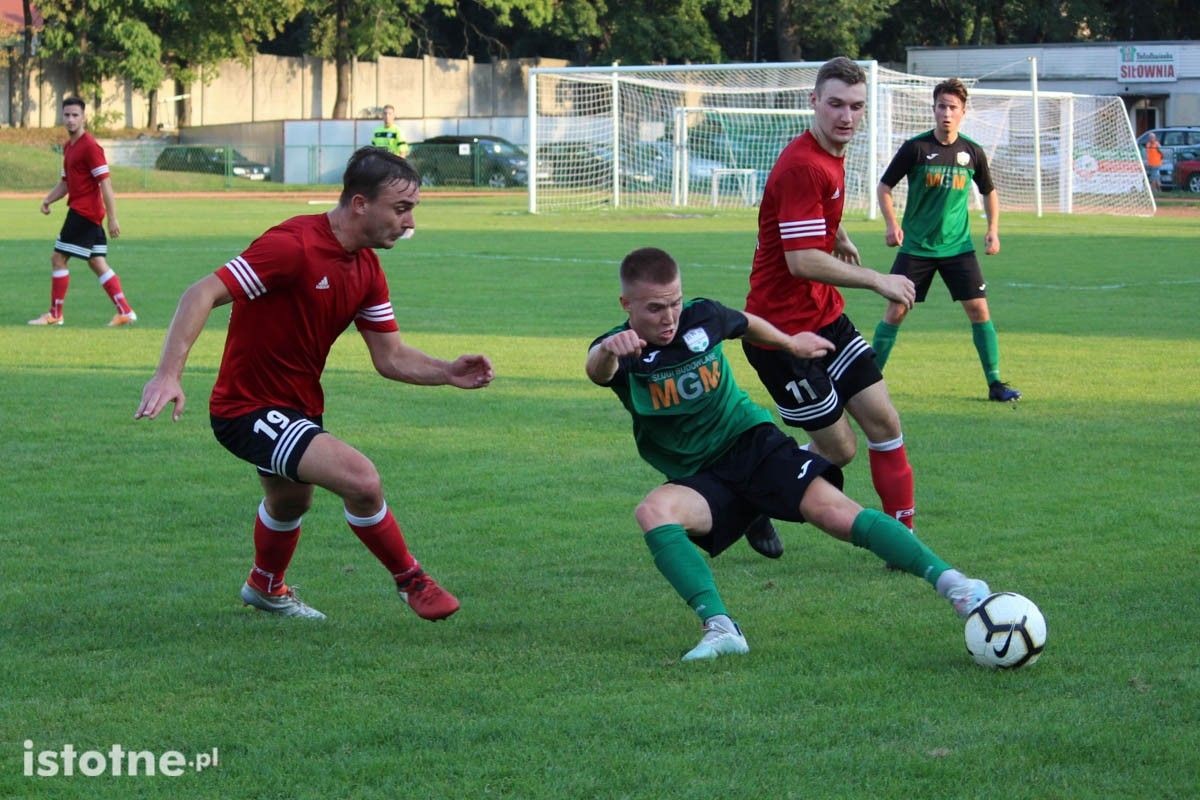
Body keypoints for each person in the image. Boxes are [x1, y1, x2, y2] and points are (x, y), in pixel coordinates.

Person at [135, 147, 494, 621]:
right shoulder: (293, 245)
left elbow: (391, 357)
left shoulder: (367, 268)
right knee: (361, 479)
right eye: (401, 209)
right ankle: (412, 580)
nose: (409, 223)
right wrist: (168, 374)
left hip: (298, 406)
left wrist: (447, 371)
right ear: (361, 204)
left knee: (289, 500)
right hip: (246, 408)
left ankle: (264, 587)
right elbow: (202, 292)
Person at [587, 247, 990, 661]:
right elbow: (597, 369)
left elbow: (745, 325)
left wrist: (789, 343)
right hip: (700, 479)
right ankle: (722, 629)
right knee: (653, 512)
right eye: (655, 308)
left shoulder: (703, 316)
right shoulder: (622, 349)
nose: (669, 317)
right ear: (627, 304)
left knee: (834, 513)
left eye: (674, 302)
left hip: (751, 444)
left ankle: (959, 586)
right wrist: (608, 351)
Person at [742, 57, 919, 534]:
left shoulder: (829, 156)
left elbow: (808, 222)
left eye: (856, 107)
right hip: (779, 335)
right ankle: (748, 494)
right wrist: (880, 280)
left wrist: (834, 232)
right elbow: (800, 262)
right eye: (835, 104)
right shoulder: (804, 166)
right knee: (840, 451)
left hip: (825, 318)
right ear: (813, 102)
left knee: (884, 420)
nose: (846, 116)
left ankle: (905, 539)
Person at [871, 78, 1021, 403]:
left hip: (958, 248)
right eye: (941, 106)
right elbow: (884, 187)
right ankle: (866, 384)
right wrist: (891, 224)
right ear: (934, 109)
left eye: (953, 107)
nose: (946, 113)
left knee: (979, 310)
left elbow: (989, 191)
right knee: (896, 310)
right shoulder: (916, 148)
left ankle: (996, 383)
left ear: (963, 112)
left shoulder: (972, 152)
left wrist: (993, 229)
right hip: (916, 248)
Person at [29, 96, 137, 327]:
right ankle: (125, 311)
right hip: (87, 213)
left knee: (58, 258)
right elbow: (66, 183)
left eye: (75, 115)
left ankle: (55, 314)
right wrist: (48, 200)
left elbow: (105, 183)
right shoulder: (69, 147)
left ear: (84, 117)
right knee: (97, 262)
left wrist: (113, 218)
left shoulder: (90, 147)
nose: (70, 119)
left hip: (84, 213)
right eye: (67, 115)